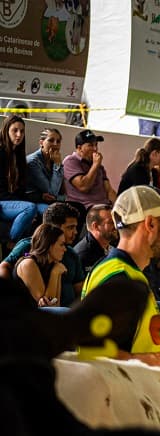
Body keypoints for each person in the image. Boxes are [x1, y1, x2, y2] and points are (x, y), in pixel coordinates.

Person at [80, 185, 160, 364]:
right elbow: (103, 359)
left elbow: (146, 330)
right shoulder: (119, 281)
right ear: (151, 224)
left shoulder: (129, 272)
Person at [1, 202, 84, 306]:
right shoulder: (27, 248)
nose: (76, 232)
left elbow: (79, 290)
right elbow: (4, 266)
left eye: (75, 227)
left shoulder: (71, 253)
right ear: (52, 228)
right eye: (70, 227)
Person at [13, 223, 69, 311]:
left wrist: (55, 272)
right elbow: (47, 307)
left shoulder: (54, 266)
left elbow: (56, 304)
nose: (65, 249)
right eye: (61, 244)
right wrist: (54, 273)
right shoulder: (28, 264)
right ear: (49, 245)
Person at [0, 115, 37, 244]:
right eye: (14, 130)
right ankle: (10, 241)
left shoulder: (19, 156)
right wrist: (22, 205)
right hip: (2, 202)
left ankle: (24, 251)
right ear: (6, 131)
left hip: (12, 202)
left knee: (39, 211)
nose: (19, 134)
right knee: (29, 208)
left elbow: (21, 189)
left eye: (21, 131)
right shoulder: (1, 153)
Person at [63, 129, 116, 213]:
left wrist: (119, 207)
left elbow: (109, 190)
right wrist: (95, 165)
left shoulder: (98, 166)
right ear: (79, 148)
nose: (95, 149)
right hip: (86, 208)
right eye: (90, 145)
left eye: (96, 145)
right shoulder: (70, 161)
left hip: (105, 206)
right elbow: (83, 187)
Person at [26, 127, 65, 214]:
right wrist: (57, 165)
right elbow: (52, 192)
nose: (55, 144)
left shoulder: (54, 160)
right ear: (41, 143)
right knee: (55, 212)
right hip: (34, 201)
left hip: (50, 201)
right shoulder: (33, 161)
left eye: (58, 141)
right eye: (51, 140)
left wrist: (57, 164)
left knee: (76, 208)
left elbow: (62, 192)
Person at [74, 203, 116, 275]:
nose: (116, 226)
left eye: (116, 221)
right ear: (95, 226)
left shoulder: (112, 248)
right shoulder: (82, 255)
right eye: (111, 222)